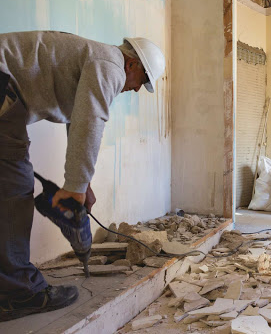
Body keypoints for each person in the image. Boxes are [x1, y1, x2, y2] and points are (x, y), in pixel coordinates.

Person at [0, 31, 165, 321]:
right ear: (132, 65)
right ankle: (21, 294)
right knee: (15, 188)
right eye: (144, 81)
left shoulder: (94, 59)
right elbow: (92, 119)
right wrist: (74, 190)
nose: (138, 90)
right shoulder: (110, 64)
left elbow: (79, 121)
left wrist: (82, 185)